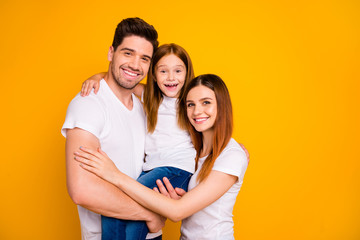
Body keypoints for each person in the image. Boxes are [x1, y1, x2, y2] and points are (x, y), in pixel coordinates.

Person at [74, 74, 249, 239]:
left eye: (206, 102)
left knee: (119, 203)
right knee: (117, 210)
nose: (197, 111)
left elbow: (178, 211)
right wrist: (98, 77)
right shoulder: (195, 152)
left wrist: (115, 175)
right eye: (190, 104)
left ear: (222, 105)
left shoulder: (232, 155)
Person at [61, 17, 165, 240]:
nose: (136, 65)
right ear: (111, 53)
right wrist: (150, 214)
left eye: (144, 58)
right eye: (128, 53)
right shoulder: (88, 104)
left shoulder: (144, 107)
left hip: (151, 235)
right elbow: (82, 190)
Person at [81, 43, 196, 239]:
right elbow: (119, 81)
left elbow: (210, 125)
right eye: (163, 71)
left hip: (175, 169)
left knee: (120, 207)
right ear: (153, 75)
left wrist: (231, 145)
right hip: (152, 168)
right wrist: (95, 77)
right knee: (118, 210)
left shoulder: (190, 102)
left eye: (178, 71)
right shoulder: (151, 97)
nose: (171, 77)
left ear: (187, 74)